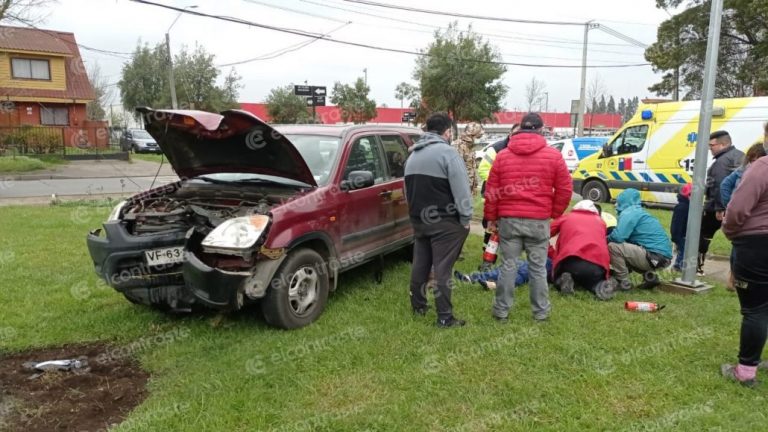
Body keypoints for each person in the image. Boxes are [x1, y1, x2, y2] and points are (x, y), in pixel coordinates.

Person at [484, 113, 572, 322]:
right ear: (541, 129)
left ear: (520, 129)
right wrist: (553, 212)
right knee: (538, 268)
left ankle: (501, 311)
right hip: (538, 221)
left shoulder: (503, 155)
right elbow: (565, 189)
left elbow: (492, 190)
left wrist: (491, 218)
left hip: (509, 220)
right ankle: (540, 313)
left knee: (508, 266)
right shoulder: (553, 156)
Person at [404, 112, 472, 328]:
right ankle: (445, 317)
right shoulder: (448, 154)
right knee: (443, 269)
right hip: (445, 222)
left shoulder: (412, 155)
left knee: (420, 264)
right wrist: (465, 218)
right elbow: (462, 191)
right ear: (447, 132)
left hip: (419, 220)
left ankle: (418, 307)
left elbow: (406, 191)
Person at [720, 139, 768, 387]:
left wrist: (730, 230)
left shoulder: (762, 167)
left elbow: (738, 208)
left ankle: (746, 371)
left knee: (755, 309)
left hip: (757, 244)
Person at [607, 188, 673, 291]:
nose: (615, 205)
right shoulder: (639, 212)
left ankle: (622, 282)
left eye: (618, 202)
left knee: (613, 247)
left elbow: (617, 237)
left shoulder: (629, 212)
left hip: (653, 256)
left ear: (625, 201)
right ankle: (650, 278)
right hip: (663, 258)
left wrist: (604, 239)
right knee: (625, 249)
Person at [699, 130, 744, 275]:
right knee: (738, 239)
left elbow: (719, 185)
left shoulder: (721, 162)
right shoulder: (741, 156)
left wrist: (719, 208)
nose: (710, 148)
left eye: (712, 145)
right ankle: (736, 272)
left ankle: (697, 268)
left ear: (723, 144)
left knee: (702, 235)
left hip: (716, 207)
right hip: (738, 206)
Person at [550, 200, 614, 301]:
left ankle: (563, 281)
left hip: (570, 261)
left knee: (557, 276)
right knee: (592, 281)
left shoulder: (566, 217)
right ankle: (599, 286)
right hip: (597, 266)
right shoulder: (601, 222)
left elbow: (542, 236)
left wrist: (552, 253)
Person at [477, 123, 520, 269]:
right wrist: (500, 183)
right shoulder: (495, 149)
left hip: (512, 199)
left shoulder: (520, 150)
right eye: (515, 134)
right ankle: (487, 259)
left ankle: (506, 262)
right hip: (494, 195)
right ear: (510, 134)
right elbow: (483, 169)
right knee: (491, 229)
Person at [454, 246, 555, 291]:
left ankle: (494, 284)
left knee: (522, 273)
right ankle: (472, 278)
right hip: (542, 260)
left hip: (548, 265)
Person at [721, 142, 767, 207]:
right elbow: (725, 184)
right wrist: (729, 205)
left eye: (759, 161)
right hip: (739, 209)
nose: (756, 164)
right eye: (753, 161)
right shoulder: (742, 170)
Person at [452, 122, 484, 196]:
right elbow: (455, 170)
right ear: (471, 134)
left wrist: (474, 185)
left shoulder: (470, 147)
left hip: (468, 190)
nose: (479, 139)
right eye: (478, 136)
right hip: (460, 190)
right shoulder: (458, 145)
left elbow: (471, 167)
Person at [670, 183, 692, 272]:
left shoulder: (688, 206)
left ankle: (678, 266)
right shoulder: (682, 207)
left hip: (684, 234)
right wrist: (676, 237)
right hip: (680, 235)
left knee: (683, 251)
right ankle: (678, 267)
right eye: (691, 195)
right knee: (683, 251)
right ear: (687, 195)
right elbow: (676, 223)